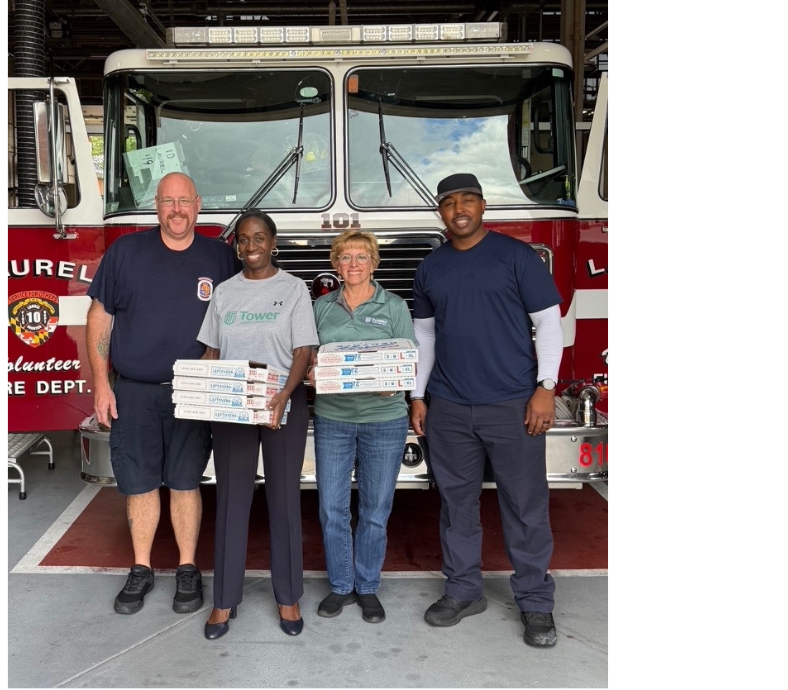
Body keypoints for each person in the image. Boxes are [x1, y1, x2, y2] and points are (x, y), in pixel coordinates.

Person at [409, 173, 565, 648]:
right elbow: (426, 337)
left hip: (514, 405)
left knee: (525, 508)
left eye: (468, 200)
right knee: (458, 507)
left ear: (482, 207)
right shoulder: (430, 268)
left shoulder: (517, 257)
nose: (459, 208)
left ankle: (535, 603)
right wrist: (418, 395)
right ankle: (463, 590)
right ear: (440, 211)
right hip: (450, 407)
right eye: (450, 202)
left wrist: (546, 388)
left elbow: (549, 325)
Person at [85, 172, 238, 617]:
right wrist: (100, 384)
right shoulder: (126, 253)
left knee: (186, 481)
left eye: (184, 201)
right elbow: (99, 318)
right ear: (157, 205)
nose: (176, 210)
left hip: (193, 393)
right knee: (139, 483)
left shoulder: (221, 257)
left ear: (198, 204)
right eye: (168, 201)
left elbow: (235, 323)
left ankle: (187, 568)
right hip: (133, 391)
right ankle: (141, 567)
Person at [196, 209, 318, 640]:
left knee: (284, 499)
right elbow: (211, 351)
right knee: (231, 500)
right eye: (243, 240)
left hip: (283, 403)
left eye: (259, 238)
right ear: (237, 246)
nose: (251, 247)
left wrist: (284, 395)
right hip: (234, 407)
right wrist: (202, 391)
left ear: (273, 243)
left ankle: (288, 596)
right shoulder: (225, 293)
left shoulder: (294, 288)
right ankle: (224, 600)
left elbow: (304, 349)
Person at [308, 230, 415, 624]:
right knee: (332, 508)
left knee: (374, 509)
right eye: (346, 258)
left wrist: (396, 381)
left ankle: (367, 587)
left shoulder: (395, 306)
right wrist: (312, 374)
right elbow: (306, 357)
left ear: (374, 263)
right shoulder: (321, 307)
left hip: (383, 422)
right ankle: (340, 586)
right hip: (333, 418)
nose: (353, 265)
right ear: (336, 265)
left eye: (361, 257)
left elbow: (407, 361)